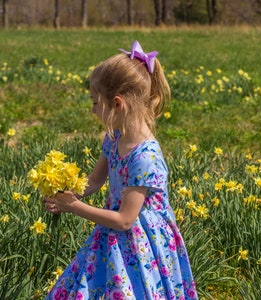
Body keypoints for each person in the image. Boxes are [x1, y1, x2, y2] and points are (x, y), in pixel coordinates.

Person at [43, 40, 198, 300]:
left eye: (95, 103)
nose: (92, 110)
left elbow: (126, 220)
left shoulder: (145, 157)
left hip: (143, 244)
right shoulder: (115, 137)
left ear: (117, 103)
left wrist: (75, 207)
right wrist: (66, 196)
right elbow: (94, 181)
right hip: (113, 233)